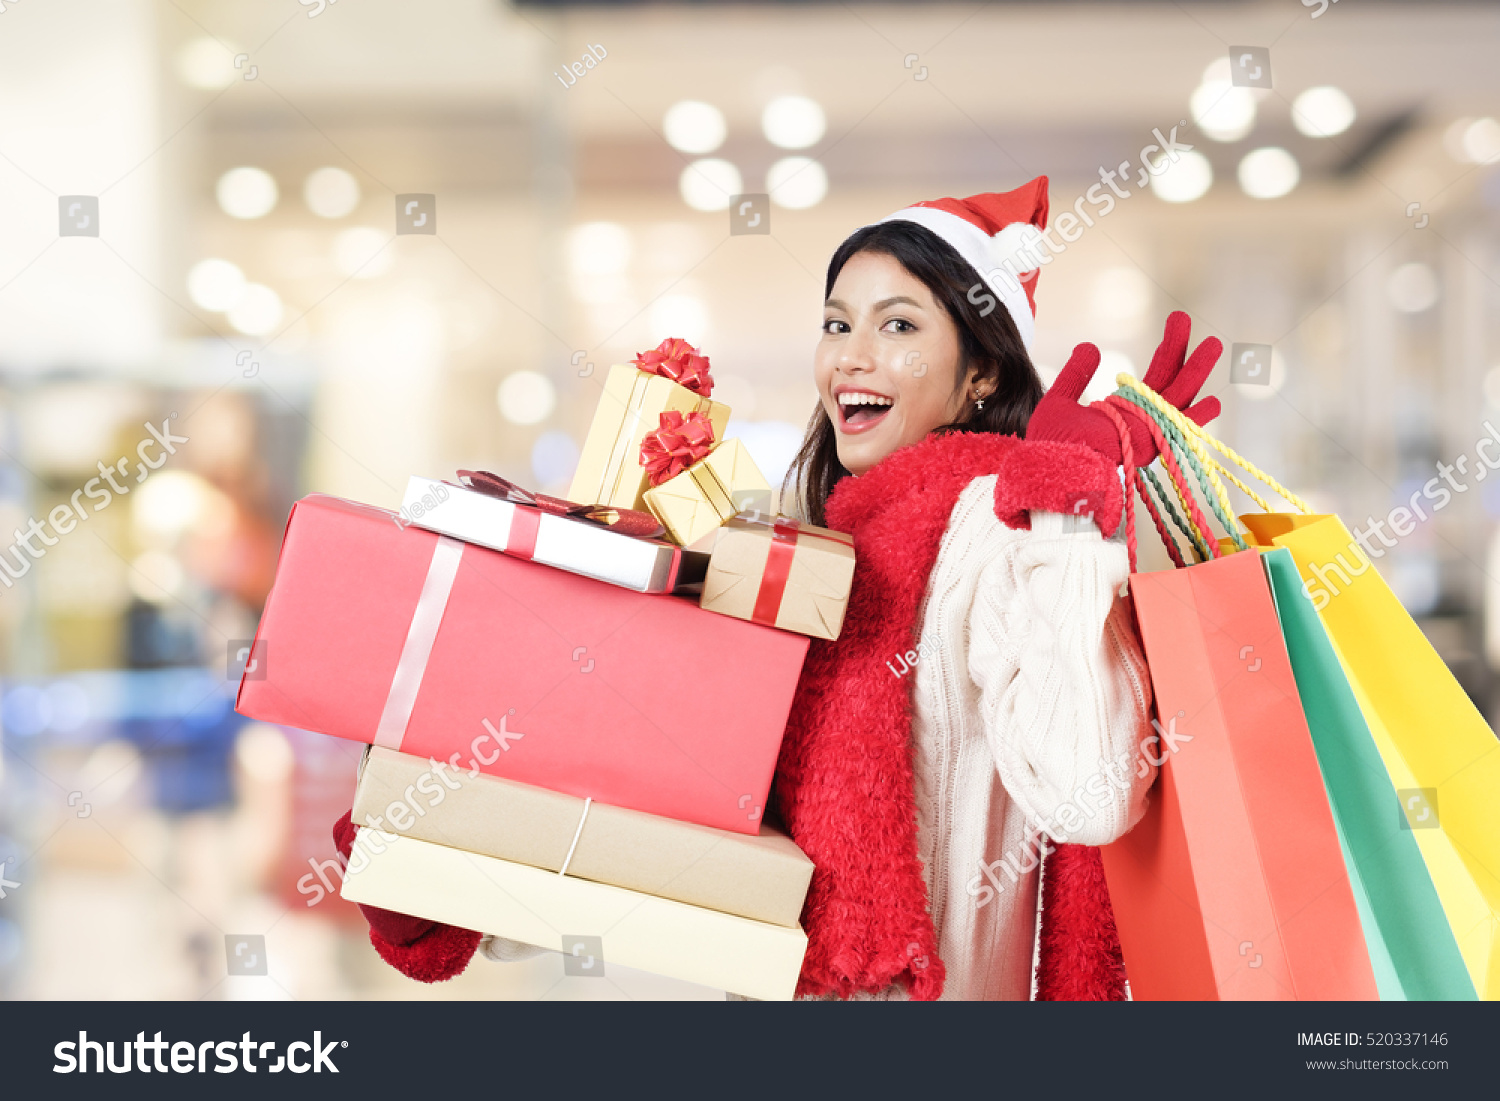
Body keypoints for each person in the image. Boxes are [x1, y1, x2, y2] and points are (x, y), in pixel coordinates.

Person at [332, 176, 1223, 999]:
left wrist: (1064, 512)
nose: (852, 357)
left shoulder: (994, 531)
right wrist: (452, 873)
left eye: (900, 326)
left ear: (983, 372)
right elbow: (705, 806)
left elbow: (1092, 793)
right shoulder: (818, 549)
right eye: (837, 324)